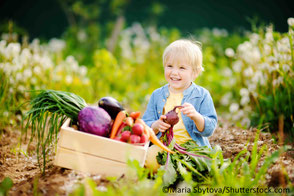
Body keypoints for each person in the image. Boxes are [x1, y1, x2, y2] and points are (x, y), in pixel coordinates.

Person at [142, 39, 217, 149]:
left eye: (182, 68)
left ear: (195, 73)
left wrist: (196, 116)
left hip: (192, 148)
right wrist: (156, 125)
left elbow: (209, 129)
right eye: (170, 66)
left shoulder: (202, 95)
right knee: (149, 159)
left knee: (199, 162)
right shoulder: (157, 95)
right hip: (163, 146)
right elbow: (145, 124)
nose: (174, 72)